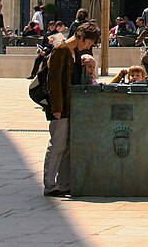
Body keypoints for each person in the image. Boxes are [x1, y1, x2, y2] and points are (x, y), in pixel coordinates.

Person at [42, 21, 101, 198]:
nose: (88, 47)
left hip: (70, 104)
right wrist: (57, 108)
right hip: (60, 107)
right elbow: (54, 81)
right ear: (81, 36)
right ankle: (50, 184)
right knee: (57, 145)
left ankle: (64, 183)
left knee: (67, 145)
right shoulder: (61, 50)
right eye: (88, 43)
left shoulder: (74, 53)